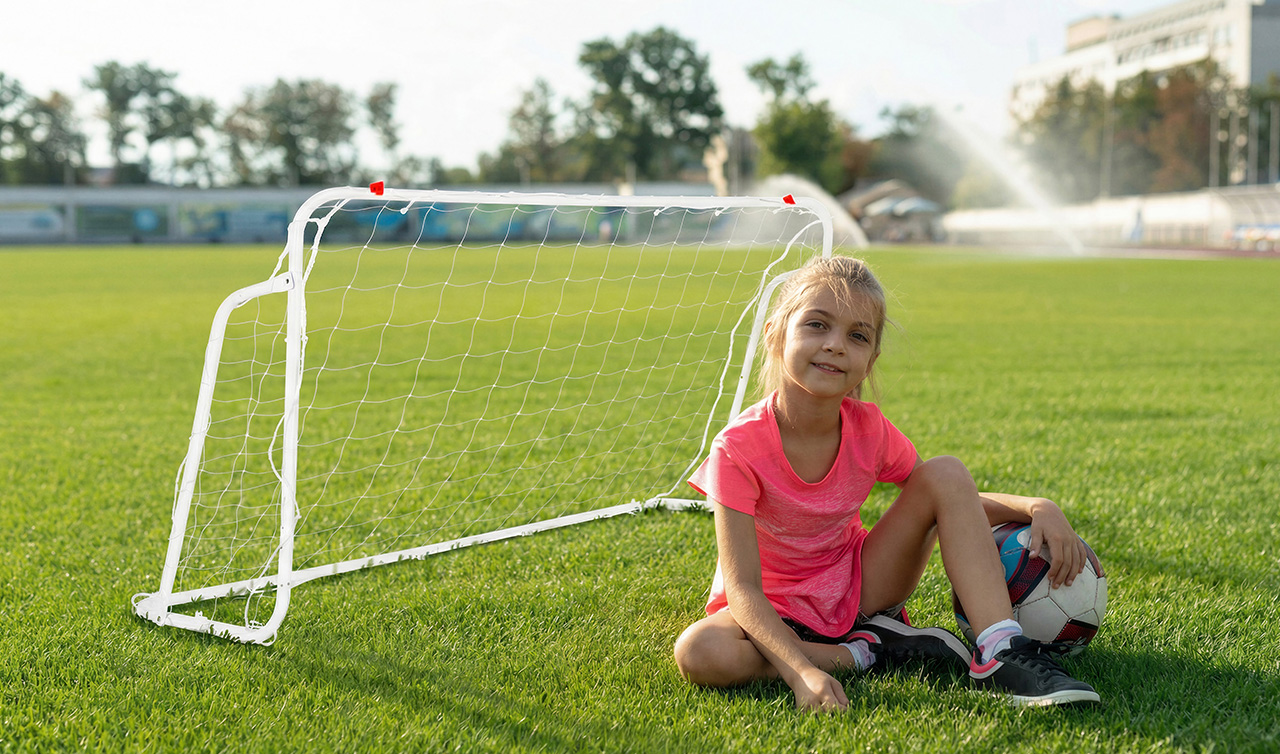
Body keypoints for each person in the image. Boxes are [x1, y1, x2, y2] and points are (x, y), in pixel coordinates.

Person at [672, 255, 1099, 711]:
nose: (835, 345)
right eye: (817, 325)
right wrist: (803, 674)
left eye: (857, 335)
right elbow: (743, 590)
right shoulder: (737, 448)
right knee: (701, 653)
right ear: (775, 333)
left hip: (858, 586)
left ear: (871, 359)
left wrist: (1035, 506)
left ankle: (999, 651)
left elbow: (947, 497)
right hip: (769, 605)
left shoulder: (868, 429)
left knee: (946, 468)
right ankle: (866, 651)